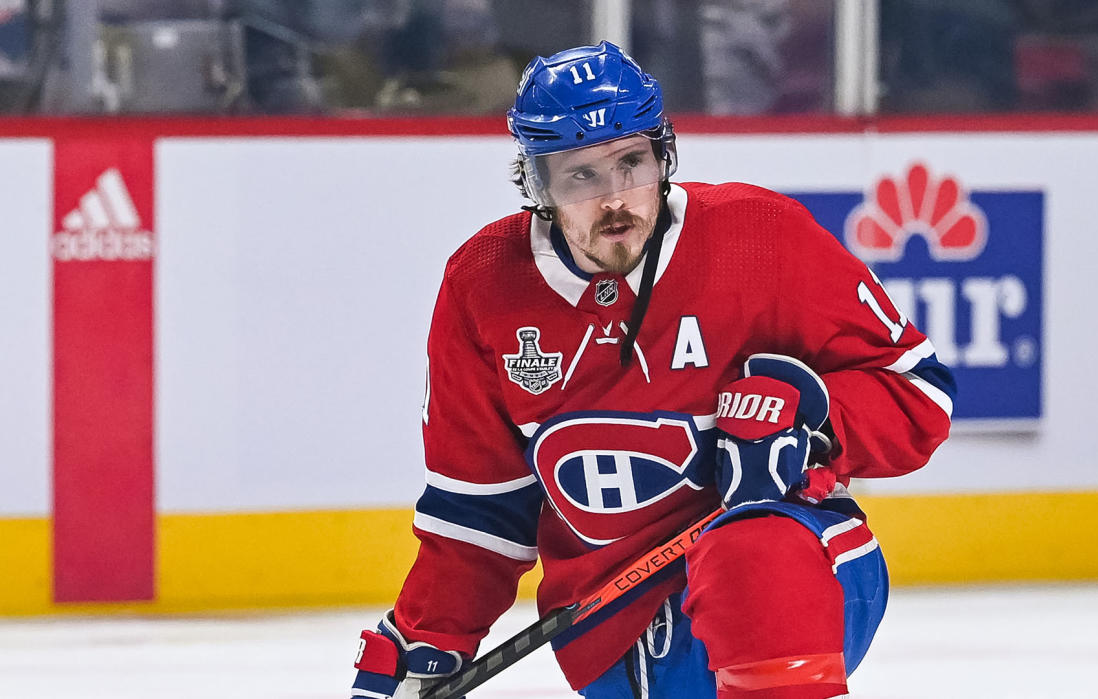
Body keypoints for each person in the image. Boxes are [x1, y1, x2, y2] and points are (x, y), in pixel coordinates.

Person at [350, 41, 954, 699]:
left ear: (663, 156)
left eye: (631, 163)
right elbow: (480, 508)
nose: (616, 200)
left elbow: (921, 393)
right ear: (537, 184)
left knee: (755, 554)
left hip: (799, 573)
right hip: (606, 628)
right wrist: (427, 636)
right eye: (583, 175)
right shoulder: (482, 284)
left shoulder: (758, 237)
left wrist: (810, 417)